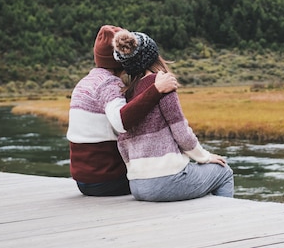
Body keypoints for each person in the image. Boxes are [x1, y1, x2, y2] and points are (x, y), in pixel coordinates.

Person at [111, 29, 234, 202]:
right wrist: (205, 157)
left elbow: (122, 143)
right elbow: (181, 134)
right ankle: (224, 222)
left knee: (198, 174)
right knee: (224, 172)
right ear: (154, 55)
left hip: (137, 185)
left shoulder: (126, 93)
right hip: (166, 181)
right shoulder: (163, 83)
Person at [67, 25, 178, 196]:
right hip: (108, 180)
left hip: (83, 181)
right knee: (171, 178)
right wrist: (156, 89)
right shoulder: (109, 85)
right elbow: (121, 122)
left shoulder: (85, 82)